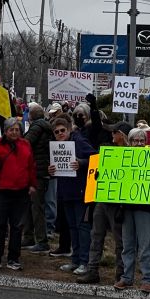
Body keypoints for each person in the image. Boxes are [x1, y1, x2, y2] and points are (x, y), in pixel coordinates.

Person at [0, 117, 36, 271]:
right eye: (11, 129)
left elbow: (31, 166)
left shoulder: (25, 145)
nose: (14, 132)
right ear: (5, 131)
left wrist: (32, 184)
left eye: (17, 129)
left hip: (21, 192)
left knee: (17, 227)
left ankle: (13, 258)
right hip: (1, 192)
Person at [80, 122, 130, 284]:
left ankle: (121, 273)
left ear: (122, 135)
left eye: (114, 132)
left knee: (119, 239)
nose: (112, 135)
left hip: (118, 201)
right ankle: (92, 269)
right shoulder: (107, 151)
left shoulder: (131, 154)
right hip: (102, 198)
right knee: (96, 235)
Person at [116, 127, 150, 293]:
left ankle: (148, 279)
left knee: (144, 245)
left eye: (142, 141)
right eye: (136, 140)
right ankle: (127, 278)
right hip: (127, 207)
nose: (139, 144)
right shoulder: (122, 159)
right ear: (130, 142)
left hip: (144, 208)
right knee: (127, 245)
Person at [51, 114, 95, 275]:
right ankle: (75, 260)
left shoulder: (79, 142)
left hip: (81, 192)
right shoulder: (57, 147)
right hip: (65, 193)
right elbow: (59, 169)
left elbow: (95, 157)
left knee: (82, 228)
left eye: (62, 130)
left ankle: (85, 261)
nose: (60, 133)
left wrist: (81, 163)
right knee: (72, 228)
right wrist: (52, 171)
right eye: (56, 132)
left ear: (69, 130)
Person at [22, 102, 53, 253]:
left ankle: (42, 241)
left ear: (31, 115)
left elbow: (25, 144)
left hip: (37, 172)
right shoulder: (45, 126)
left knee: (36, 207)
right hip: (40, 172)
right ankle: (28, 236)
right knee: (30, 205)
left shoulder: (36, 127)